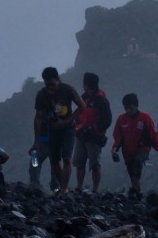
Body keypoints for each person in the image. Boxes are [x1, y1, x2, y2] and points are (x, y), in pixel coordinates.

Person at [31, 67, 84, 195]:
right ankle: (63, 188)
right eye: (47, 84)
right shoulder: (42, 95)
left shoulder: (68, 89)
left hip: (68, 129)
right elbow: (38, 118)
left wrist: (68, 120)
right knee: (54, 160)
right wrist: (36, 141)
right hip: (53, 130)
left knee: (66, 158)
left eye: (52, 84)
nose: (50, 87)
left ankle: (64, 189)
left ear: (58, 80)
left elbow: (82, 106)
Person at [111, 93, 158, 200]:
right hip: (127, 150)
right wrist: (114, 149)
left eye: (130, 108)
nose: (128, 110)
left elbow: (153, 135)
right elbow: (118, 136)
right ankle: (138, 193)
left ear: (135, 106)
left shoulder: (145, 118)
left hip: (143, 148)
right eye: (126, 108)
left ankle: (134, 189)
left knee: (136, 163)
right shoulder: (121, 119)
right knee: (132, 171)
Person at [73, 72, 112, 192]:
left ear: (87, 84)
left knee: (94, 163)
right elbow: (78, 113)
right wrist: (78, 125)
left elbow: (107, 120)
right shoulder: (83, 97)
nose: (83, 85)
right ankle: (79, 187)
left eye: (84, 83)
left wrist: (94, 129)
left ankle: (95, 189)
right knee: (79, 162)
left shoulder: (101, 100)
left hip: (94, 137)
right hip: (81, 135)